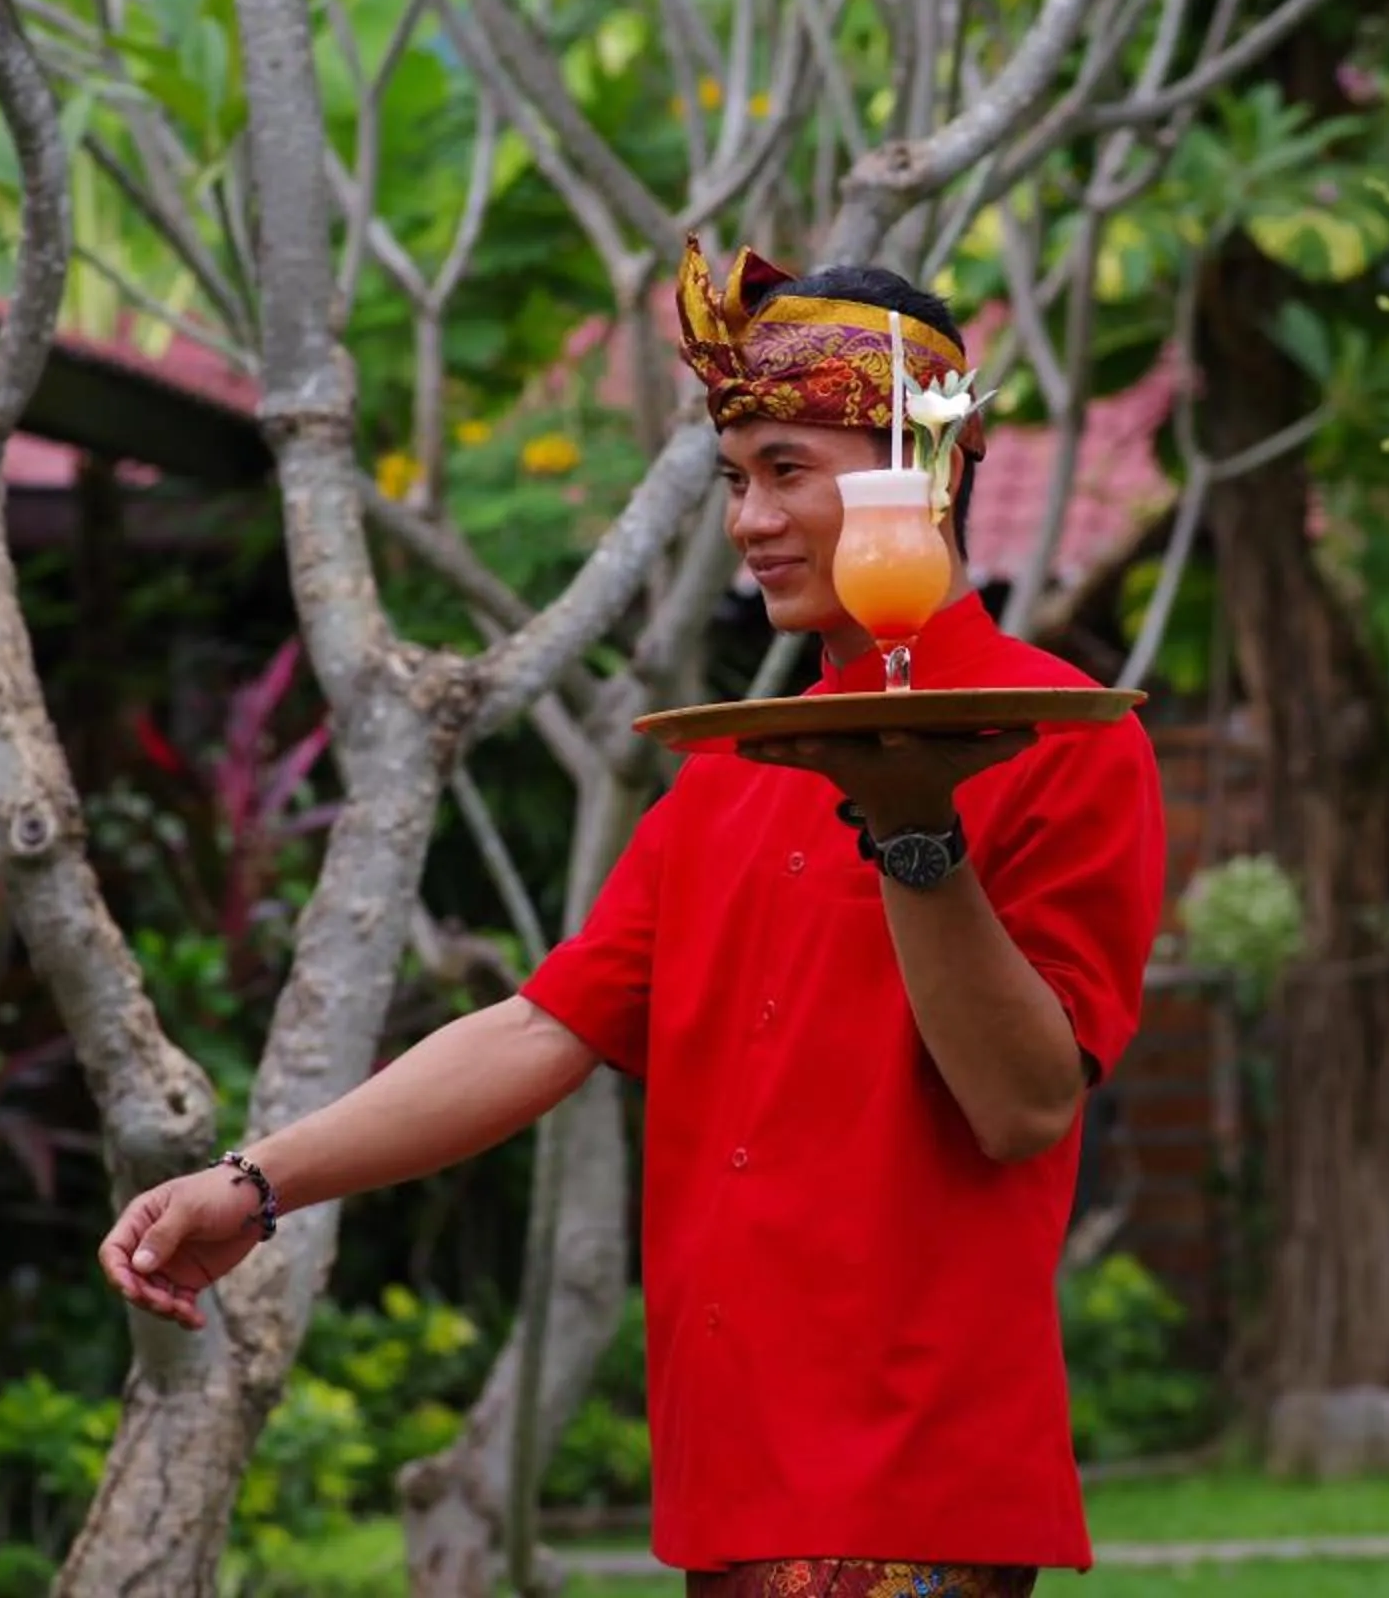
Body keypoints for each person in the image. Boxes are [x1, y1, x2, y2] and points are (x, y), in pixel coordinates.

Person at [100, 237, 1168, 1595]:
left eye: (792, 470)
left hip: (910, 1477)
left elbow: (1022, 1108)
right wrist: (255, 1189)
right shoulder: (736, 763)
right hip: (731, 1476)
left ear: (928, 471)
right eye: (736, 478)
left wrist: (915, 832)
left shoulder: (1066, 741)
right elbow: (547, 1027)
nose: (750, 521)